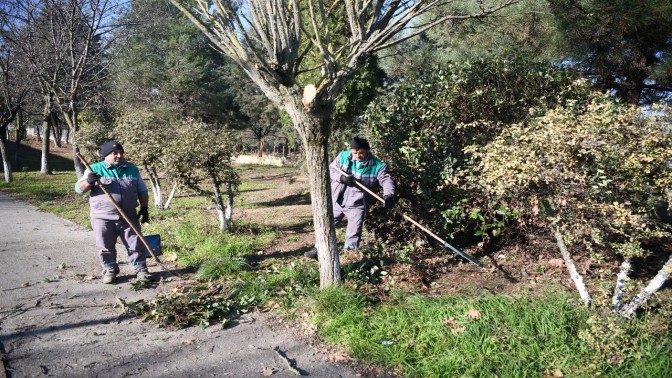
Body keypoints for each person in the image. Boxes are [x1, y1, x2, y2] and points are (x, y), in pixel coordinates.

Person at [305, 137, 396, 259]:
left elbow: (386, 181)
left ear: (368, 150)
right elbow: (331, 169)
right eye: (355, 153)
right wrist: (342, 178)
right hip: (337, 200)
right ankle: (319, 249)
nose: (357, 155)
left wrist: (389, 195)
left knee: (353, 233)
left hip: (357, 205)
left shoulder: (378, 165)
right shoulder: (343, 156)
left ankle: (349, 257)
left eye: (361, 153)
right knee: (327, 224)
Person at [75, 140, 151, 284]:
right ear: (106, 155)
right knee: (105, 245)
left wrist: (145, 208)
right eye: (114, 153)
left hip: (128, 215)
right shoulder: (94, 169)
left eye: (121, 152)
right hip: (102, 217)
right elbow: (79, 189)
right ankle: (110, 270)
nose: (119, 155)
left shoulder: (132, 169)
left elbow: (142, 190)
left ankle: (141, 269)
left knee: (136, 243)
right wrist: (89, 181)